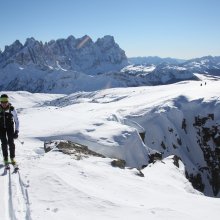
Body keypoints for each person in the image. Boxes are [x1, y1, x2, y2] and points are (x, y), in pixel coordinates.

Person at [0, 94, 19, 166]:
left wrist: (16, 131)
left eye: (5, 101)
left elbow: (17, 121)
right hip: (1, 128)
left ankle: (12, 157)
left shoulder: (12, 109)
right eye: (2, 101)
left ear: (8, 101)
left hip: (10, 128)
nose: (4, 103)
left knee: (11, 142)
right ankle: (5, 158)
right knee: (4, 143)